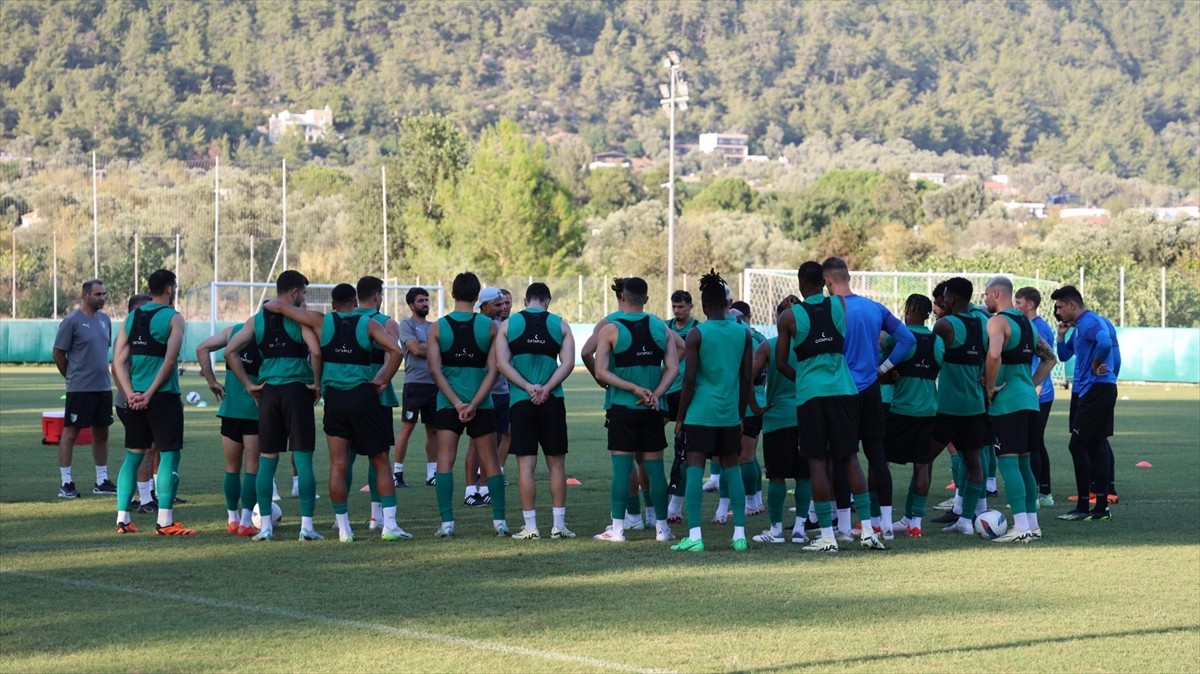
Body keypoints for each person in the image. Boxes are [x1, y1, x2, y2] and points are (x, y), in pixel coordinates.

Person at [267, 283, 407, 542]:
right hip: (365, 396)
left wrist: (270, 307)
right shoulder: (369, 325)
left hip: (335, 400)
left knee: (338, 466)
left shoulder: (321, 321)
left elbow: (277, 306)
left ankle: (344, 529)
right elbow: (397, 350)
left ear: (332, 305)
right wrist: (383, 379)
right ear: (355, 302)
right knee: (380, 461)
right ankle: (389, 525)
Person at [775, 262, 885, 552]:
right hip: (843, 390)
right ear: (824, 281)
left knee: (817, 463)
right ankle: (869, 532)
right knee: (849, 458)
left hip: (811, 395)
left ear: (800, 284)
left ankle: (826, 536)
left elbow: (781, 362)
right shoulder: (839, 304)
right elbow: (823, 316)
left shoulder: (788, 317)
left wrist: (802, 379)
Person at [224, 270, 323, 542]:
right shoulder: (298, 319)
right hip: (296, 391)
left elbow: (229, 351)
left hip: (268, 393)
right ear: (293, 293)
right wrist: (316, 383)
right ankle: (306, 527)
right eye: (303, 292)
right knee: (302, 460)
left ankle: (265, 527)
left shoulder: (257, 320)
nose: (304, 298)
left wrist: (248, 384)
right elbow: (315, 351)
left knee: (267, 461)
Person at [822, 257, 915, 541]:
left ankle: (844, 526)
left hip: (842, 391)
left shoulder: (829, 309)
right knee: (877, 456)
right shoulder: (875, 307)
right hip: (872, 389)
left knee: (841, 457)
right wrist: (884, 367)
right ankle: (885, 525)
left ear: (827, 281)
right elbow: (908, 339)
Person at [592, 277, 679, 543]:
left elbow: (601, 371)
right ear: (647, 298)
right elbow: (674, 368)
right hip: (652, 409)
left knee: (621, 468)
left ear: (622, 298)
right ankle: (662, 529)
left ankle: (617, 529)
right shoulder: (661, 327)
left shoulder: (610, 329)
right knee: (654, 469)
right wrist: (656, 394)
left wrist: (632, 389)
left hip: (622, 407)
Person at [671, 271, 751, 552]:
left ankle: (695, 537)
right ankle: (739, 536)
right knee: (732, 468)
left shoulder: (697, 332)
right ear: (727, 304)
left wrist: (680, 418)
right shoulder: (743, 333)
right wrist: (739, 415)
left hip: (700, 414)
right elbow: (746, 380)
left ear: (703, 306)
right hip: (729, 414)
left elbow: (689, 379)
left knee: (694, 469)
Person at [494, 282, 577, 539]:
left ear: (525, 300)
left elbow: (501, 363)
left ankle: (530, 528)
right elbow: (569, 363)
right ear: (548, 301)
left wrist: (528, 387)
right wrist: (547, 388)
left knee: (526, 468)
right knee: (556, 466)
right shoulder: (561, 325)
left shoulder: (509, 325)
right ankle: (558, 526)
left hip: (521, 401)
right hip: (552, 401)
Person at [427, 272, 508, 537]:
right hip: (481, 403)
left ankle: (447, 523)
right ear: (477, 298)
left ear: (452, 294)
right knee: (491, 461)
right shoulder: (490, 327)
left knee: (444, 461)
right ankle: (499, 522)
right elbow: (495, 370)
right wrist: (473, 403)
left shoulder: (437, 327)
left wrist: (458, 403)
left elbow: (434, 370)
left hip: (448, 403)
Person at [112, 269, 190, 535]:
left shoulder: (133, 317)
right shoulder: (174, 318)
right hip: (163, 397)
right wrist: (149, 393)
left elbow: (118, 361)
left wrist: (131, 392)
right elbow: (170, 361)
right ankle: (165, 521)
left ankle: (123, 520)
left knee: (133, 456)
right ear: (170, 288)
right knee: (169, 456)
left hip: (133, 399)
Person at [982, 276, 1058, 542]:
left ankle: (1020, 527)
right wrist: (1029, 383)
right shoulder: (1027, 324)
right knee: (1025, 463)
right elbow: (1051, 358)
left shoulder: (997, 321)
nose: (985, 299)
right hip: (1028, 400)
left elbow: (993, 356)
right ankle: (1031, 526)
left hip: (1008, 403)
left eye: (986, 295)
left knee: (1009, 463)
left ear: (995, 294)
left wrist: (990, 388)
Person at [1051, 285, 1120, 522]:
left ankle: (1084, 506)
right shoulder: (1078, 327)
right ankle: (1100, 507)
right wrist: (1060, 335)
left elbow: (1104, 343)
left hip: (1096, 390)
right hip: (1084, 391)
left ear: (1072, 305)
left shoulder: (1091, 322)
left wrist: (1097, 363)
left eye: (1060, 307)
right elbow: (1063, 355)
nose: (1058, 311)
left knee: (1078, 445)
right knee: (1094, 445)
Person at [928, 277, 990, 537]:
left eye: (943, 298)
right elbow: (992, 355)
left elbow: (928, 356)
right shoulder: (984, 322)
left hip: (948, 406)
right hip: (975, 405)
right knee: (974, 462)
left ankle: (910, 519)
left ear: (951, 300)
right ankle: (966, 519)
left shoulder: (944, 325)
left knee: (923, 458)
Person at [196, 306, 263, 536]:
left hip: (230, 410)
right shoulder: (272, 340)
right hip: (255, 412)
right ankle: (246, 522)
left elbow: (202, 348)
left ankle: (232, 520)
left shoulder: (233, 332)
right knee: (253, 468)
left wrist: (211, 382)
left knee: (231, 468)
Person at [751, 295, 811, 544]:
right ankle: (799, 530)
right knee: (804, 475)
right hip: (807, 416)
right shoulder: (810, 345)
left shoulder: (768, 345)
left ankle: (776, 531)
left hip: (777, 418)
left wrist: (755, 407)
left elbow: (747, 378)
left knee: (776, 475)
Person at [884, 294, 944, 539]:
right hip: (929, 410)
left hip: (900, 409)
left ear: (907, 310)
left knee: (880, 462)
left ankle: (879, 521)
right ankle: (915, 524)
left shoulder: (896, 339)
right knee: (922, 466)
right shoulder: (938, 341)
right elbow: (938, 366)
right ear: (928, 314)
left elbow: (883, 370)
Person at [52, 279, 115, 498]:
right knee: (71, 434)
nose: (102, 298)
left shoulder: (105, 320)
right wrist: (71, 377)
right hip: (80, 389)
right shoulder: (72, 321)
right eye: (98, 294)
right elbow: (58, 353)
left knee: (102, 433)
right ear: (85, 295)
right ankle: (66, 483)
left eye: (104, 294)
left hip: (103, 387)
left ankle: (102, 481)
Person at [352, 276, 402, 529]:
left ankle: (341, 517)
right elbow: (393, 356)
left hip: (345, 393)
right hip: (377, 396)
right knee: (379, 456)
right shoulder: (386, 323)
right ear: (377, 296)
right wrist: (381, 381)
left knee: (343, 459)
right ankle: (376, 516)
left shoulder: (344, 321)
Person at [115, 294, 160, 514]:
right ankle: (144, 499)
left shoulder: (145, 333)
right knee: (142, 450)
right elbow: (117, 367)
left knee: (148, 449)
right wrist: (129, 395)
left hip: (142, 399)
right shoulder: (131, 334)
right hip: (132, 401)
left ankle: (147, 494)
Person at [463, 286, 505, 507]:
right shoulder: (481, 327)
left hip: (501, 392)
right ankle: (471, 490)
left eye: (504, 303)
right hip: (483, 395)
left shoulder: (502, 326)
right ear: (484, 305)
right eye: (498, 304)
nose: (502, 308)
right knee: (476, 443)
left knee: (496, 442)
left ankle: (486, 487)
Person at [1015, 286, 1057, 505]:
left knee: (1032, 444)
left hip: (1038, 393)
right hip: (1033, 392)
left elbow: (1045, 361)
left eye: (1019, 303)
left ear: (1030, 305)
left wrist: (1035, 389)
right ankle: (1044, 493)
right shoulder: (1028, 325)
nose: (1016, 306)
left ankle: (1038, 495)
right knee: (1036, 443)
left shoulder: (1039, 328)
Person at [726, 301, 767, 521]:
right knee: (750, 456)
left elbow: (745, 374)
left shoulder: (742, 336)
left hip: (746, 402)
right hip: (760, 398)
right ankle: (757, 499)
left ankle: (751, 502)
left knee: (743, 456)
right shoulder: (760, 336)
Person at [395, 287, 438, 487]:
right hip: (414, 384)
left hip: (434, 384)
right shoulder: (406, 324)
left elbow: (425, 349)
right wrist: (433, 349)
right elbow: (415, 349)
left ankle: (432, 474)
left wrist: (424, 347)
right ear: (411, 305)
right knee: (407, 428)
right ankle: (397, 473)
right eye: (421, 301)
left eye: (427, 300)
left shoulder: (434, 326)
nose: (425, 304)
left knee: (433, 430)